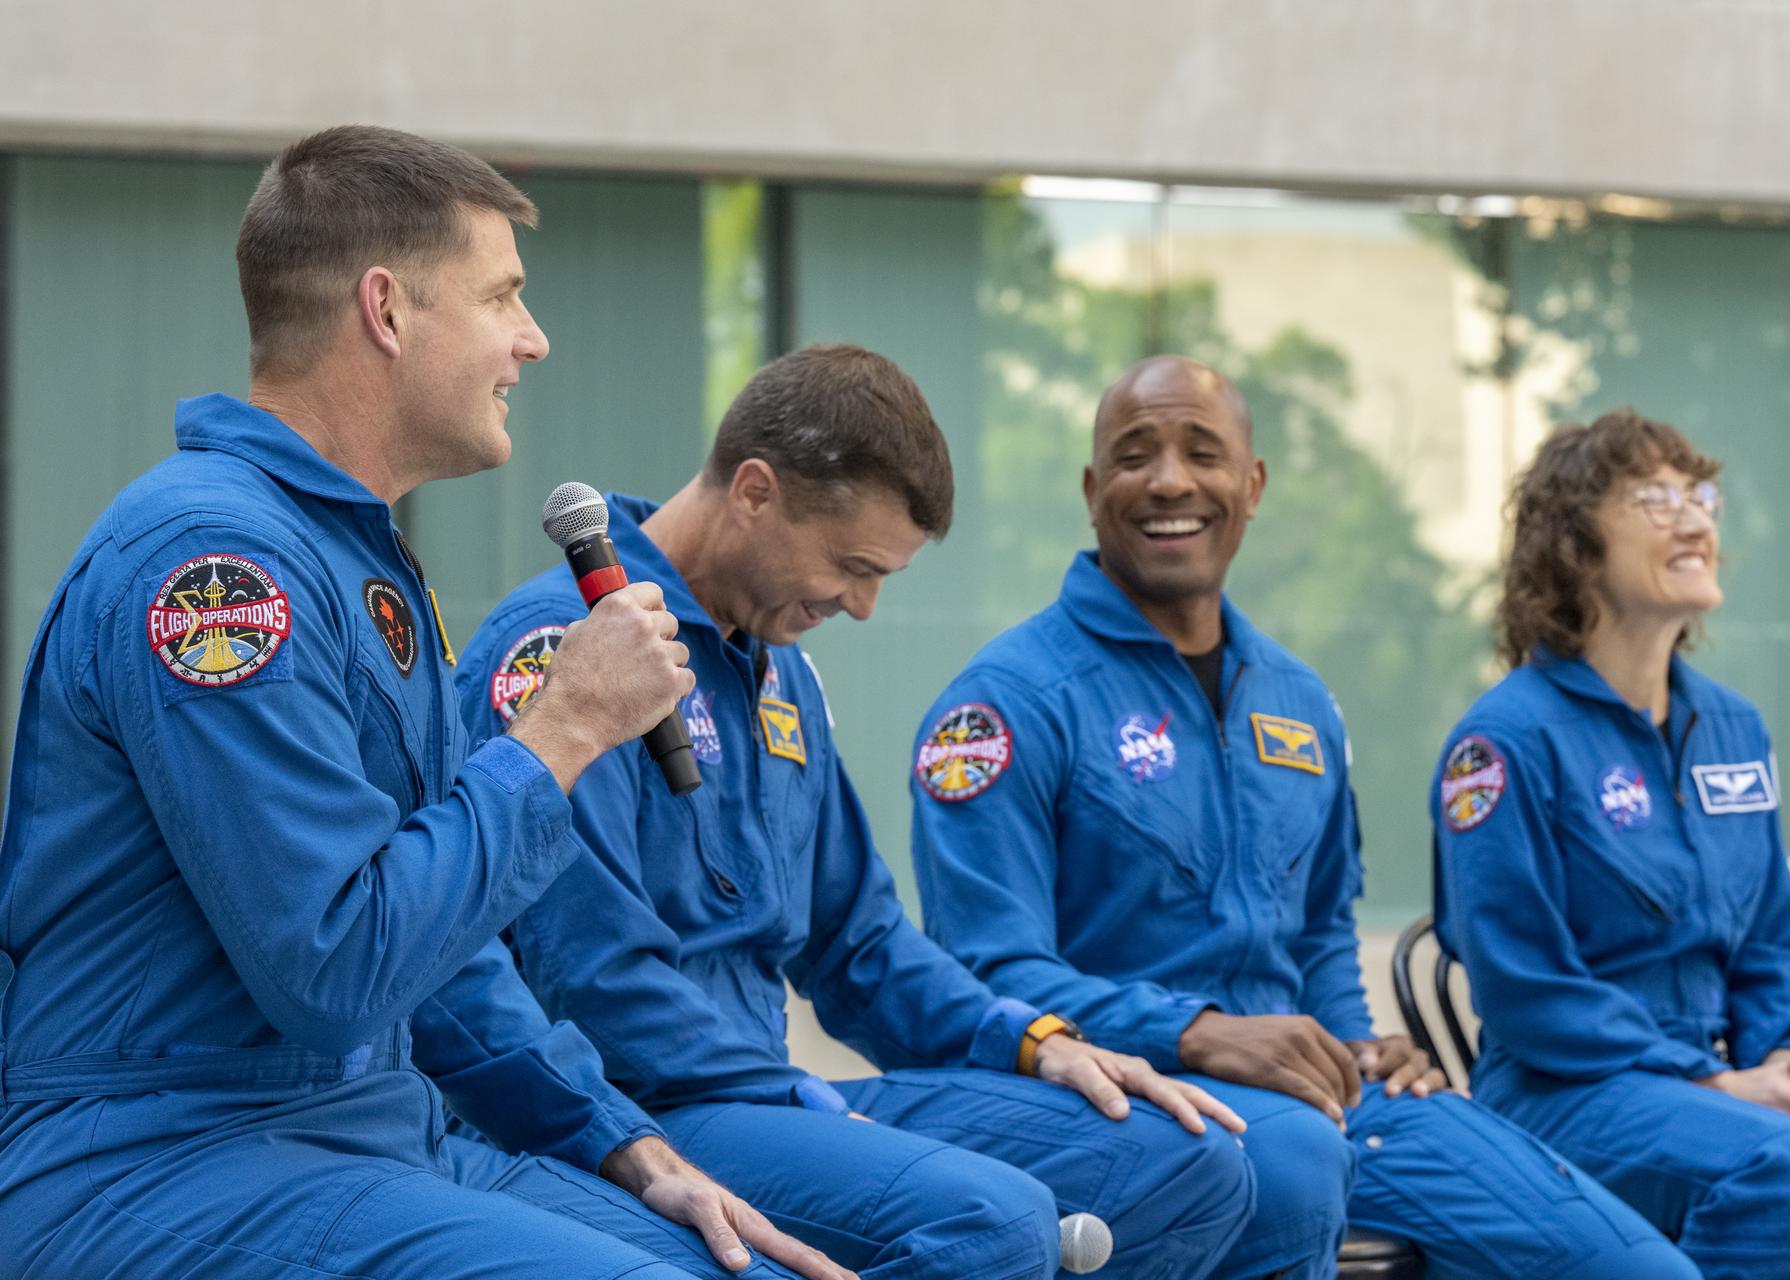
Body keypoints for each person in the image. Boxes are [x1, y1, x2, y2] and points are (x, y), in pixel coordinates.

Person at [0, 125, 849, 1280]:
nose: (533, 339)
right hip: (162, 1151)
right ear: (389, 311)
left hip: (358, 1129)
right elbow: (336, 964)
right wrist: (562, 729)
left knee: (725, 1254)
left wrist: (621, 1140)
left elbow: (437, 957)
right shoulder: (215, 570)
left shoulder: (348, 559)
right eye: (503, 295)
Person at [456, 343, 1261, 1280]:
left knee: (1195, 1163)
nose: (867, 607)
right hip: (640, 1110)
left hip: (773, 1094)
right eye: (853, 566)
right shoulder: (567, 649)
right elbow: (589, 981)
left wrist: (1030, 1040)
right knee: (993, 1223)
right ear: (755, 490)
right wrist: (800, 1097)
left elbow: (860, 944)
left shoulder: (780, 667)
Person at [910, 355, 1703, 1280]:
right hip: (1134, 1105)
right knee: (1294, 1166)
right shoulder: (1004, 705)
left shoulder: (1298, 701)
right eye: (1134, 456)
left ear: (1252, 487)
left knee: (1636, 1270)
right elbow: (988, 974)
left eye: (1202, 453)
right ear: (1093, 491)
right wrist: (1197, 1033)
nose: (1169, 480)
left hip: (1330, 1106)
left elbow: (1320, 926)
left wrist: (1357, 1042)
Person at [1430, 410, 1790, 1279]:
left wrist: (1788, 1053)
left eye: (1700, 494)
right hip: (1566, 1092)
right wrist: (1710, 1081)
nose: (1696, 519)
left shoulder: (1734, 727)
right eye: (1655, 498)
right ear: (1575, 545)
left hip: (1728, 1077)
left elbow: (1770, 939)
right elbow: (1525, 989)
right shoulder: (1503, 741)